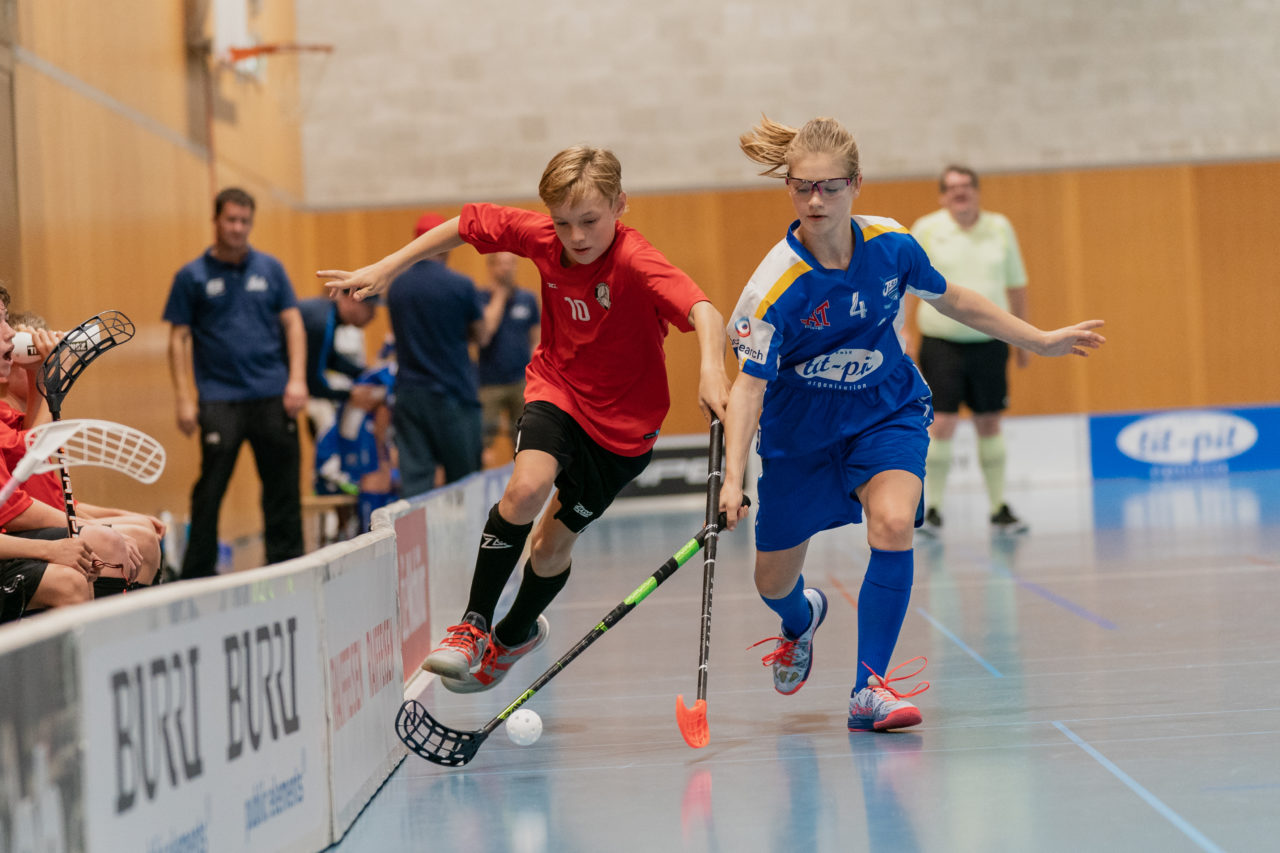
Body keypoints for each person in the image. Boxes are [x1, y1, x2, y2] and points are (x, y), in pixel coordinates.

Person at [721, 116, 1104, 732]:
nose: (816, 201)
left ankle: (868, 689)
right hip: (801, 438)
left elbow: (951, 297)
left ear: (856, 185)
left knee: (896, 522)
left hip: (886, 409)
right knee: (772, 582)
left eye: (830, 187)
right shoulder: (775, 287)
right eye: (802, 188)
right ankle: (801, 620)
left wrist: (1039, 338)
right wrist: (733, 476)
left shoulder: (892, 246)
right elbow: (749, 385)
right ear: (789, 189)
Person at [319, 145, 731, 693]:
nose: (576, 237)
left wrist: (710, 366)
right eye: (563, 223)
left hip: (623, 432)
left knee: (550, 547)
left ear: (619, 205)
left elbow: (704, 309)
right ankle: (472, 626)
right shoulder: (540, 237)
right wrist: (389, 267)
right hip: (557, 389)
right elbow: (465, 224)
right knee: (524, 490)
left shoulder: (635, 260)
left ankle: (513, 637)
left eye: (589, 221)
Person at [164, 187, 307, 579]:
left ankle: (287, 568)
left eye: (245, 221)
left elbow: (292, 322)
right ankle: (198, 574)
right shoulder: (192, 276)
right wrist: (184, 399)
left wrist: (296, 379)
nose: (238, 228)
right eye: (231, 220)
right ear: (216, 221)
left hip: (273, 395)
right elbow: (177, 338)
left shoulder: (271, 269)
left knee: (283, 488)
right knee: (210, 491)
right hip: (220, 399)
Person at [909, 165, 1031, 535]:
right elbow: (902, 285)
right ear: (942, 195)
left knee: (989, 421)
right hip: (941, 342)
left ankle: (998, 508)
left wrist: (1024, 337)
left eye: (966, 186)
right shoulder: (926, 229)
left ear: (977, 191)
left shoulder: (999, 227)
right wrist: (904, 336)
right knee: (941, 423)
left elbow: (1017, 285)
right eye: (952, 188)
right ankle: (932, 510)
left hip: (990, 341)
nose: (960, 193)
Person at [383, 212, 486, 495]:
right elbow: (482, 335)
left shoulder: (397, 287)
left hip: (410, 396)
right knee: (464, 484)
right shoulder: (461, 285)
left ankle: (415, 541)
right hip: (453, 395)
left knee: (416, 485)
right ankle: (468, 539)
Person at [476, 251, 540, 463]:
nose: (506, 268)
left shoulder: (527, 299)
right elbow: (485, 334)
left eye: (511, 263)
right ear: (491, 267)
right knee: (482, 442)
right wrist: (500, 295)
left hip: (521, 382)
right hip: (488, 383)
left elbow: (536, 340)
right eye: (501, 264)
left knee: (525, 441)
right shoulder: (480, 298)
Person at [297, 285, 380, 439]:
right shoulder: (321, 322)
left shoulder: (326, 314)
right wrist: (350, 394)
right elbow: (312, 383)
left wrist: (366, 373)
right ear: (351, 300)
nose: (374, 315)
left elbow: (330, 358)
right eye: (370, 307)